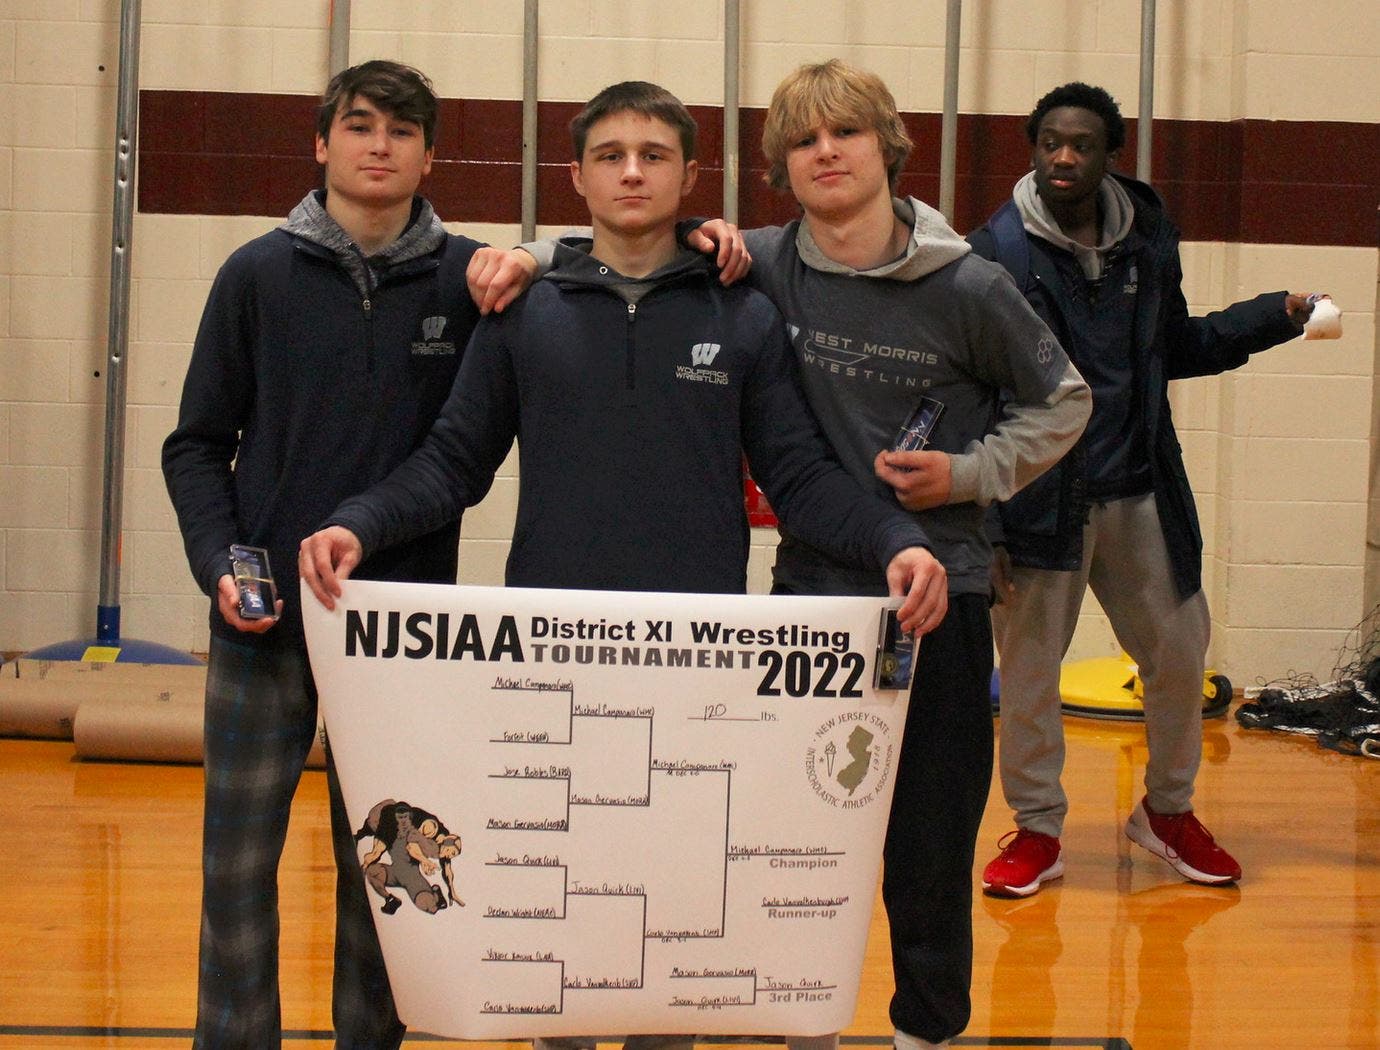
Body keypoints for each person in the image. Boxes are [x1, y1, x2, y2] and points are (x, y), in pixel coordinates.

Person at [300, 80, 947, 1050]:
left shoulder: (742, 316)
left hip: (694, 681)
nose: (633, 172)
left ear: (690, 175)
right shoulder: (523, 311)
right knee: (558, 940)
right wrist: (358, 524)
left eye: (654, 155)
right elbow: (451, 465)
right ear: (577, 176)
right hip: (551, 677)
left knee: (668, 938)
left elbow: (803, 479)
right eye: (611, 155)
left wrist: (897, 540)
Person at [162, 60, 500, 1049]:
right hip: (263, 628)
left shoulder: (470, 283)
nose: (378, 145)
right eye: (358, 126)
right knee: (234, 875)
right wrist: (220, 564)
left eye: (402, 130)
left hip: (404, 635)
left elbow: (466, 462)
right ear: (321, 143)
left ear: (430, 156)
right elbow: (196, 445)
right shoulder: (255, 276)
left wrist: (522, 261)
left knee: (391, 881)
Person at [970, 81, 1320, 899]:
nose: (1063, 156)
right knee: (1029, 677)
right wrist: (984, 528)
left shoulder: (1149, 239)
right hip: (1037, 501)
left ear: (1109, 155)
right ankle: (1037, 830)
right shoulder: (995, 255)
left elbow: (1177, 347)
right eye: (1050, 142)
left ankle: (1167, 813)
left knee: (1179, 652)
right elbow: (974, 394)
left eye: (1081, 144)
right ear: (1034, 149)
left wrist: (1276, 314)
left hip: (1138, 490)